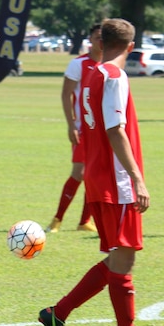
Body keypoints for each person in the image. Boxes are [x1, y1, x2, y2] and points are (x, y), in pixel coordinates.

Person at [37, 18, 159, 326]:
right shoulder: (115, 76)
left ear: (101, 42)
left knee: (118, 258)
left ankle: (57, 315)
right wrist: (137, 178)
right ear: (132, 48)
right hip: (117, 180)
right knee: (125, 258)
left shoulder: (91, 73)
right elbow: (115, 129)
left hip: (97, 175)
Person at [47, 23, 100, 234]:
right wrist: (71, 125)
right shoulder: (79, 64)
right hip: (83, 129)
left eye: (104, 37)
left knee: (95, 176)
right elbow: (66, 93)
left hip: (103, 131)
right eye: (97, 37)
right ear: (90, 40)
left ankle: (84, 222)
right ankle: (57, 219)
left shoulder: (110, 65)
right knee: (79, 172)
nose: (101, 41)